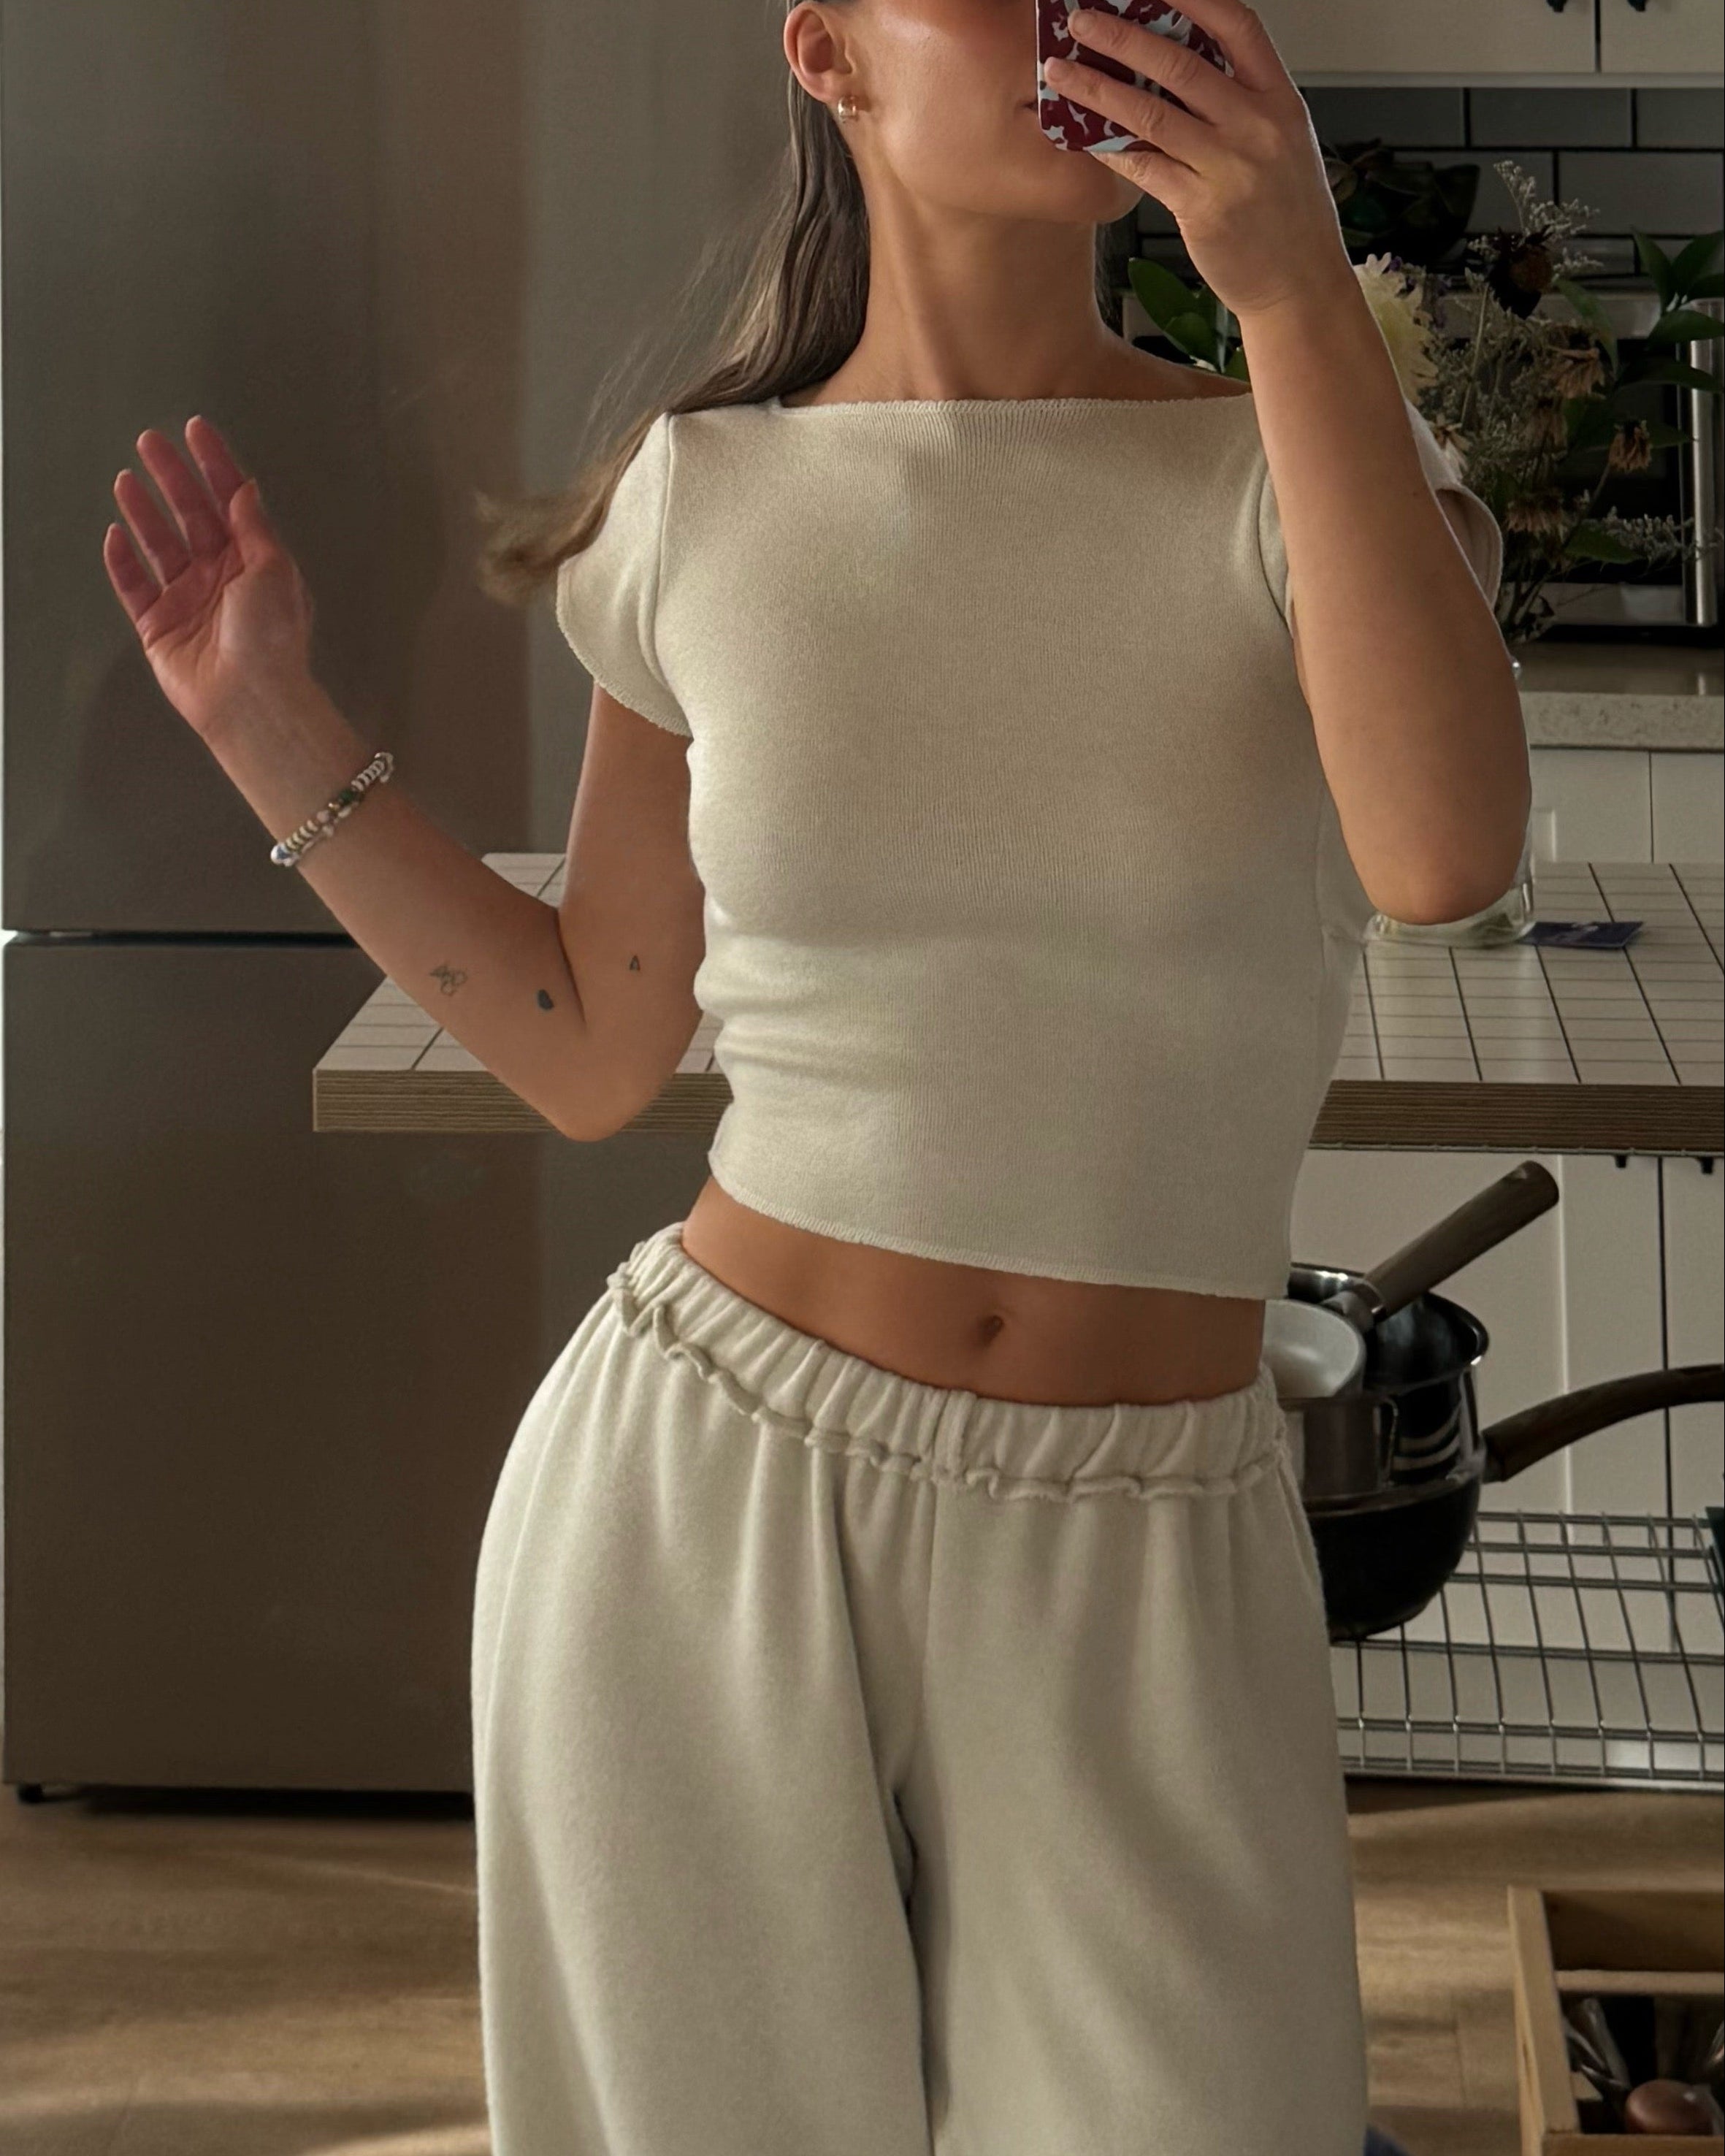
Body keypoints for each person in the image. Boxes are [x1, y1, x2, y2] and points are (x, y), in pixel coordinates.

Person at [102, 1, 1523, 2149]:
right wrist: (266, 728)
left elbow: (1440, 856)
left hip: (1146, 1543)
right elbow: (594, 1042)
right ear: (827, 52)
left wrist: (1296, 286)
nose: (1064, 16)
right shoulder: (698, 500)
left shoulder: (1288, 455)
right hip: (709, 1502)